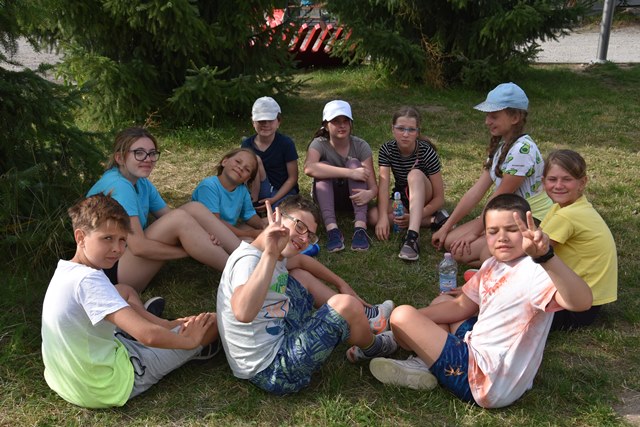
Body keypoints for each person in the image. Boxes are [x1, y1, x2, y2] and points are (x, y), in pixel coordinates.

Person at [369, 194, 592, 408]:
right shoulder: (492, 265)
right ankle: (424, 361)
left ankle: (422, 362)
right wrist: (414, 324)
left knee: (402, 315)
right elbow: (461, 307)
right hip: (483, 357)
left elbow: (582, 303)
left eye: (512, 229)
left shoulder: (536, 271)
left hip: (484, 382)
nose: (502, 237)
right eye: (493, 231)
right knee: (441, 301)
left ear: (529, 230)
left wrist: (547, 256)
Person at [41, 194, 219, 408]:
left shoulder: (67, 270)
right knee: (213, 323)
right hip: (104, 386)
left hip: (65, 380)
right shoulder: (89, 281)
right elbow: (148, 336)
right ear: (80, 237)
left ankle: (162, 324)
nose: (117, 248)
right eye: (107, 238)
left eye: (122, 240)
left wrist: (166, 326)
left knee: (122, 290)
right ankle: (190, 349)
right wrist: (190, 341)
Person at [217, 195, 397, 395]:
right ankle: (373, 347)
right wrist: (270, 253)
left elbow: (302, 262)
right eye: (300, 226)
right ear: (277, 217)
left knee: (299, 276)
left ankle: (367, 319)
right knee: (345, 305)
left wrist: (341, 284)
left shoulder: (268, 252)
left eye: (310, 236)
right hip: (272, 370)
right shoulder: (249, 262)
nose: (304, 239)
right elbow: (243, 313)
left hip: (275, 333)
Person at [87, 127, 239, 292]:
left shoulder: (141, 182)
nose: (148, 159)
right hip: (108, 273)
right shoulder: (120, 186)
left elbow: (169, 216)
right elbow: (139, 247)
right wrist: (190, 250)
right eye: (139, 153)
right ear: (120, 158)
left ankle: (245, 256)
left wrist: (202, 236)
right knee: (180, 218)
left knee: (194, 208)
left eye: (152, 153)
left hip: (123, 258)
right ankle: (240, 276)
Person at [432, 83, 552, 267]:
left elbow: (499, 197)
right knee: (450, 242)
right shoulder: (501, 147)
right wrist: (446, 226)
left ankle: (518, 262)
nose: (487, 121)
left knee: (464, 252)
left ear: (515, 117)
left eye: (494, 116)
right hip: (507, 214)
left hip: (530, 220)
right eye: (487, 115)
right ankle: (509, 258)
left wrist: (474, 233)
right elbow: (476, 192)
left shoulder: (523, 149)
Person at [540, 149, 617, 330]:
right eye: (552, 179)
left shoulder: (567, 216)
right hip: (588, 301)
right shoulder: (568, 207)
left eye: (567, 179)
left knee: (507, 303)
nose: (559, 185)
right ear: (543, 182)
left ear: (582, 183)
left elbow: (533, 252)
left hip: (575, 308)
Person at [370, 106, 448, 261]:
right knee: (373, 216)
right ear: (392, 129)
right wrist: (383, 218)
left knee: (415, 174)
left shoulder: (426, 152)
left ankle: (412, 237)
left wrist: (414, 215)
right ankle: (434, 220)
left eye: (411, 130)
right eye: (400, 128)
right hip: (403, 197)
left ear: (418, 132)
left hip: (424, 196)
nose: (405, 134)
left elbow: (439, 198)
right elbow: (384, 185)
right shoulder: (387, 149)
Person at [304, 100, 378, 252]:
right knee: (323, 166)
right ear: (326, 125)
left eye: (345, 121)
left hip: (354, 199)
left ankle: (360, 228)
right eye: (336, 121)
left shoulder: (361, 145)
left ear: (351, 123)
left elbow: (373, 187)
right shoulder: (319, 144)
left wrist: (370, 194)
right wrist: (350, 173)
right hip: (326, 198)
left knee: (354, 163)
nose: (342, 126)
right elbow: (309, 168)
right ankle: (332, 230)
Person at [192, 148, 266, 240]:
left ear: (247, 178)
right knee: (252, 239)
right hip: (204, 234)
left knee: (267, 223)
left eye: (247, 169)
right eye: (238, 161)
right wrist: (249, 234)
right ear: (224, 162)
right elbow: (214, 224)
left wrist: (263, 226)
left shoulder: (242, 190)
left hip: (226, 231)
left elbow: (249, 215)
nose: (241, 167)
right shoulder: (208, 186)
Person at [241, 96, 299, 211]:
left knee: (282, 214)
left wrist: (274, 199)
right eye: (261, 121)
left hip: (282, 191)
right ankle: (253, 204)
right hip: (257, 190)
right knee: (254, 159)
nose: (265, 124)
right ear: (253, 122)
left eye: (270, 120)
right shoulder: (247, 144)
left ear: (278, 122)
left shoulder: (286, 143)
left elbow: (293, 178)